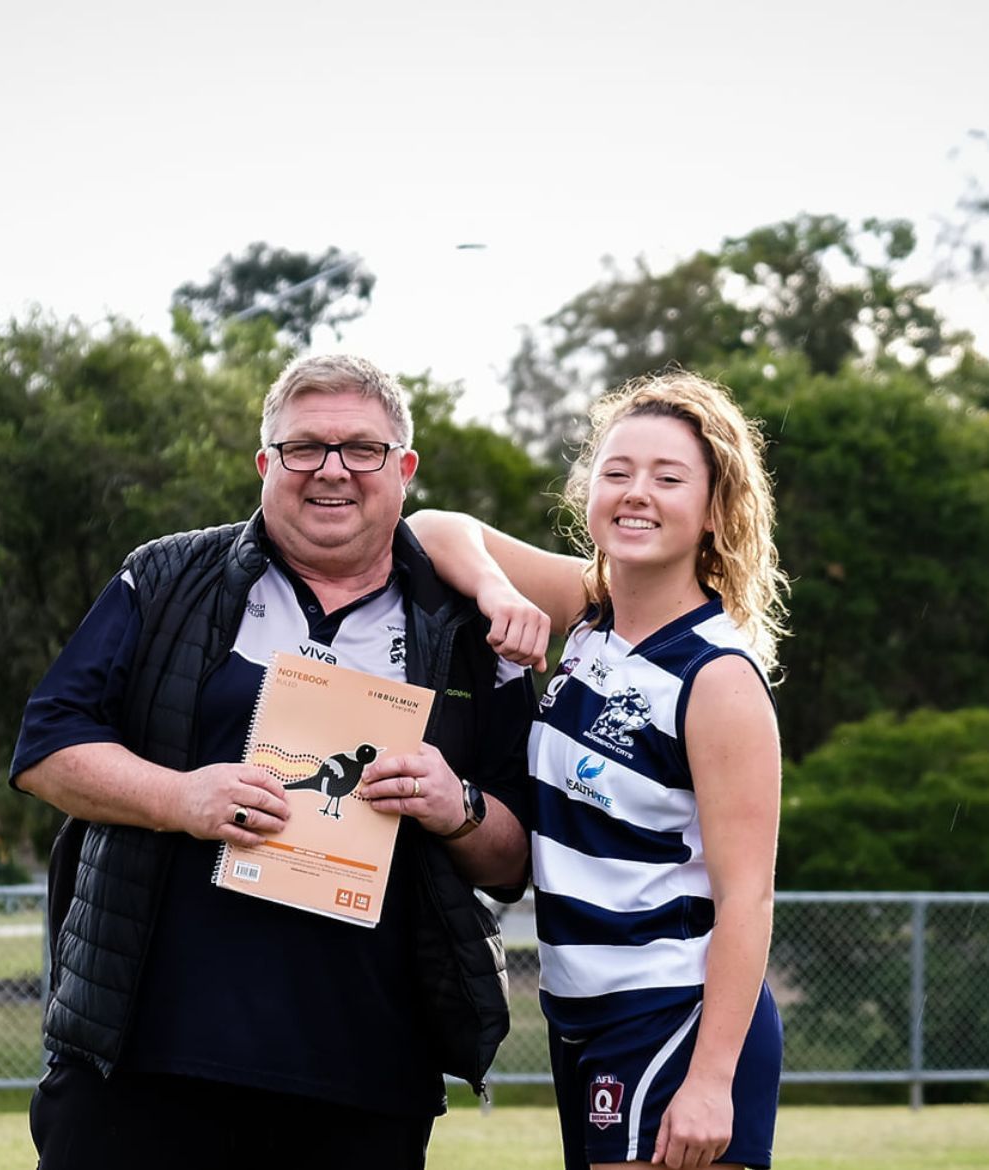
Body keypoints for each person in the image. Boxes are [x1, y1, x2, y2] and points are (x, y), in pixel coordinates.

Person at [9, 353, 533, 1170]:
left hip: (365, 1079)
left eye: (361, 449)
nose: (331, 470)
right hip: (142, 1063)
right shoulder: (166, 577)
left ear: (405, 469)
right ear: (265, 466)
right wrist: (179, 796)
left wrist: (455, 802)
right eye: (303, 448)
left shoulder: (471, 631)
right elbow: (46, 749)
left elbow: (513, 860)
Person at [409, 369, 788, 1170]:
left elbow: (748, 897)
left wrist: (712, 1080)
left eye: (668, 477)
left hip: (670, 1016)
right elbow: (437, 529)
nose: (636, 493)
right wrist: (496, 593)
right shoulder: (588, 614)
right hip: (581, 1012)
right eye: (617, 472)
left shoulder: (716, 677)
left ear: (716, 512)